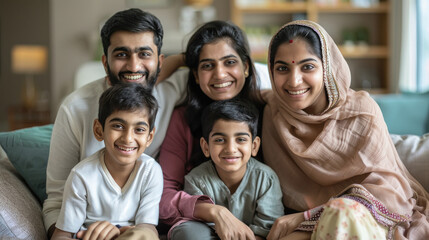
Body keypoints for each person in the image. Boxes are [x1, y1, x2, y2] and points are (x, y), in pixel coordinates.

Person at [262, 20, 429, 240]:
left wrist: (308, 216)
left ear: (327, 68)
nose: (294, 81)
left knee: (341, 214)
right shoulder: (274, 113)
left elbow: (389, 191)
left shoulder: (361, 113)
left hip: (367, 218)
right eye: (282, 68)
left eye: (307, 66)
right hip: (308, 226)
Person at [43, 8, 188, 239]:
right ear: (105, 61)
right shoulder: (75, 108)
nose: (133, 66)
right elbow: (56, 199)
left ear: (160, 61)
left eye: (144, 54)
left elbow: (228, 74)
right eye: (121, 54)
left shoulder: (171, 91)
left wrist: (268, 98)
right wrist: (80, 233)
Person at [158, 20, 271, 240]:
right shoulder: (182, 119)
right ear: (196, 75)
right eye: (207, 65)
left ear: (246, 67)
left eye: (229, 62)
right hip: (199, 223)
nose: (220, 74)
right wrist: (215, 211)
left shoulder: (267, 111)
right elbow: (163, 196)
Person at [53, 83, 162, 240]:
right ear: (99, 130)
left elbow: (148, 228)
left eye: (139, 130)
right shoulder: (81, 176)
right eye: (118, 126)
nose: (128, 138)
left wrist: (121, 232)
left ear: (149, 137)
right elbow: (61, 235)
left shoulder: (151, 171)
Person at [183, 99, 284, 240]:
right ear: (206, 147)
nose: (230, 149)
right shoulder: (196, 180)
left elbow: (267, 230)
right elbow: (198, 227)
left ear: (254, 146)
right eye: (219, 140)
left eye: (241, 139)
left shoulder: (266, 179)